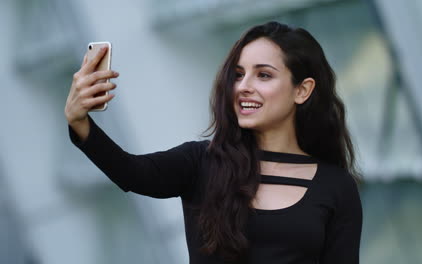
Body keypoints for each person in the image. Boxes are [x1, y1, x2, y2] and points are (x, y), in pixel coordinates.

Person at [65, 21, 362, 264]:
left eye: (263, 75)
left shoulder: (336, 187)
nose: (244, 87)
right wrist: (79, 122)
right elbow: (131, 171)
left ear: (302, 90)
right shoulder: (201, 162)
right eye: (238, 74)